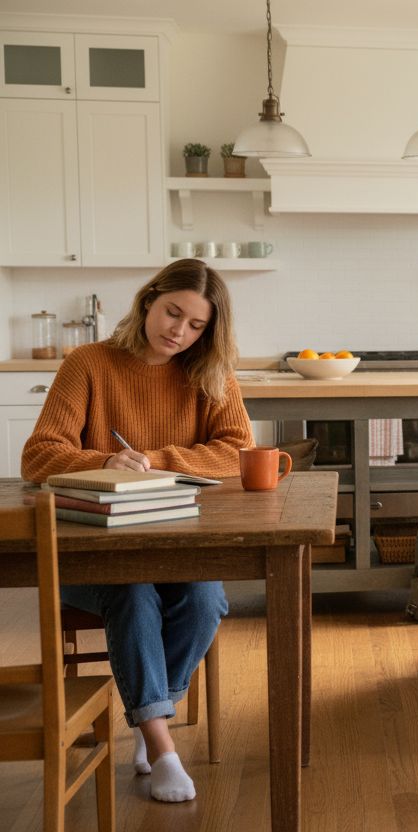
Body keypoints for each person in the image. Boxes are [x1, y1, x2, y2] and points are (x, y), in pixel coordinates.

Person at [21, 259, 253, 803]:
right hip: (95, 556)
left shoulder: (208, 374)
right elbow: (39, 455)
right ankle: (161, 745)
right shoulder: (88, 363)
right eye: (172, 313)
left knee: (206, 601)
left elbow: (236, 449)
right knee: (132, 593)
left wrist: (156, 458)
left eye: (196, 325)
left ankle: (150, 717)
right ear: (149, 300)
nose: (179, 331)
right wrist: (104, 460)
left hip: (180, 548)